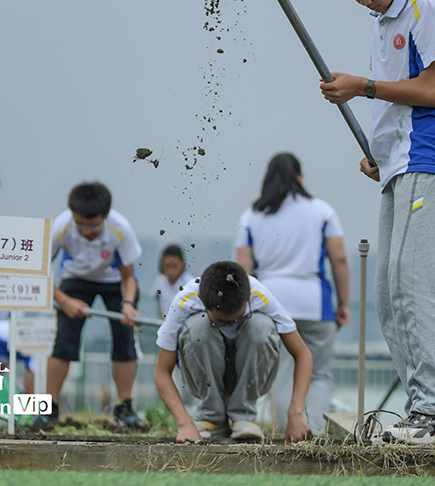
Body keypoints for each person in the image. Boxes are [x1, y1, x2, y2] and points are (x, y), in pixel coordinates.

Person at [320, 0, 435, 444]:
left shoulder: (425, 5)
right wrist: (379, 155)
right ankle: (421, 412)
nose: (363, 0)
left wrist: (361, 86)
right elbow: (399, 101)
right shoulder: (383, 20)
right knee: (389, 293)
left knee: (413, 281)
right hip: (402, 164)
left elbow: (432, 90)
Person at [235, 152, 349, 435]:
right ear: (301, 178)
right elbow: (340, 260)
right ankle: (317, 434)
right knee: (320, 373)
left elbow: (243, 269)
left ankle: (290, 431)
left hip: (271, 304)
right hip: (315, 303)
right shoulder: (323, 211)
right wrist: (344, 303)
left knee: (284, 372)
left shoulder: (251, 216)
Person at [154, 261, 313, 443]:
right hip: (205, 375)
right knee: (197, 327)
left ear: (248, 298)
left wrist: (295, 413)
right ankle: (211, 418)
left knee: (261, 326)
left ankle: (243, 416)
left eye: (236, 318)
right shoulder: (184, 301)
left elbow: (303, 355)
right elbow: (161, 372)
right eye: (222, 321)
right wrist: (184, 424)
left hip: (249, 372)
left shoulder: (260, 294)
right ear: (201, 299)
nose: (230, 324)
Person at [38, 182, 143, 429]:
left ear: (105, 217)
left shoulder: (121, 229)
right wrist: (64, 301)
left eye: (93, 226)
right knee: (63, 342)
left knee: (125, 339)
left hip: (114, 280)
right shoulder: (61, 227)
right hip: (75, 280)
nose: (87, 231)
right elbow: (40, 272)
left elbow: (129, 277)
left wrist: (128, 304)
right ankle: (47, 409)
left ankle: (125, 407)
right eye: (81, 225)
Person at [150, 244, 195, 320]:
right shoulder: (160, 280)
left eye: (174, 266)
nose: (171, 271)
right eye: (167, 266)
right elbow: (159, 304)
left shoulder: (190, 284)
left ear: (182, 264)